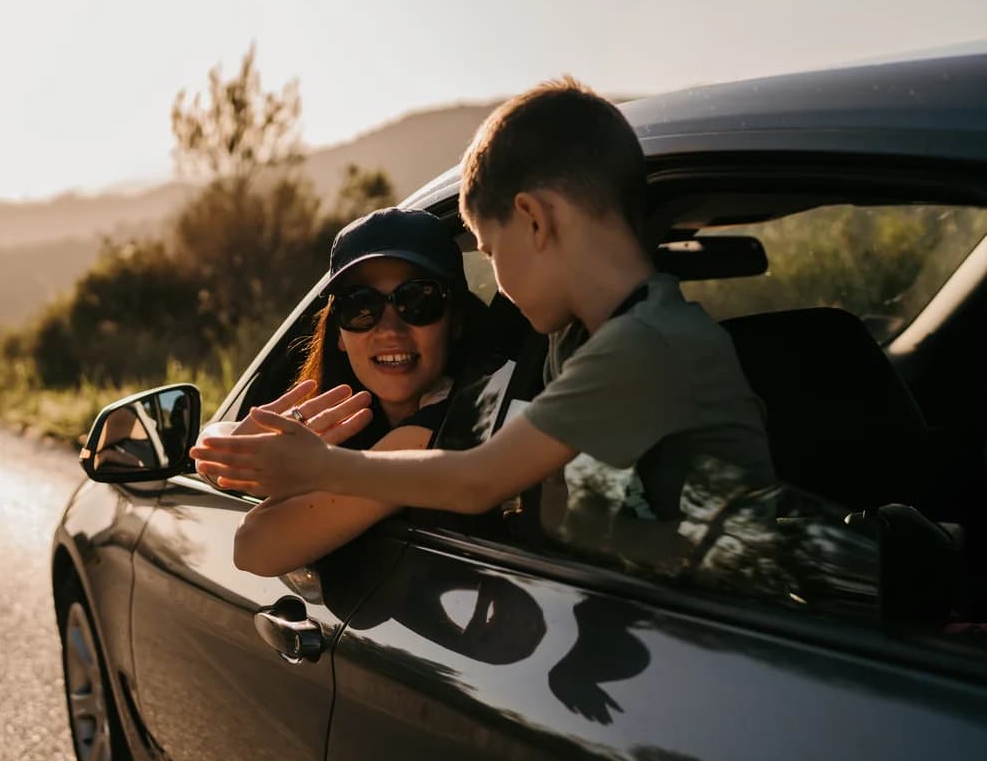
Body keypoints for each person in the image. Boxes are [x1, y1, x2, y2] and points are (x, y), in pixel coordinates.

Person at [192, 77, 774, 534]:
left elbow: (478, 481)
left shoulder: (643, 345)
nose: (497, 279)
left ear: (534, 219)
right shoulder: (579, 339)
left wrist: (320, 466)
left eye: (491, 250)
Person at [205, 207, 482, 575]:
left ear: (457, 319)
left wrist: (297, 464)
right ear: (338, 332)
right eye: (360, 306)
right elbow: (216, 442)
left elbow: (254, 548)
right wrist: (224, 445)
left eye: (417, 300)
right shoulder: (357, 416)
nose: (388, 329)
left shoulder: (439, 432)